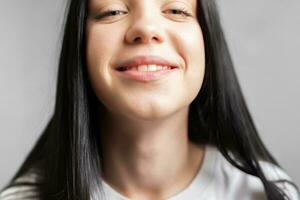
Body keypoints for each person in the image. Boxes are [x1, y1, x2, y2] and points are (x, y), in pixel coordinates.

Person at [0, 0, 299, 199]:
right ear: (78, 45)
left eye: (177, 10)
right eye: (112, 10)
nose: (146, 28)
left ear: (207, 41)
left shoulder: (264, 194)